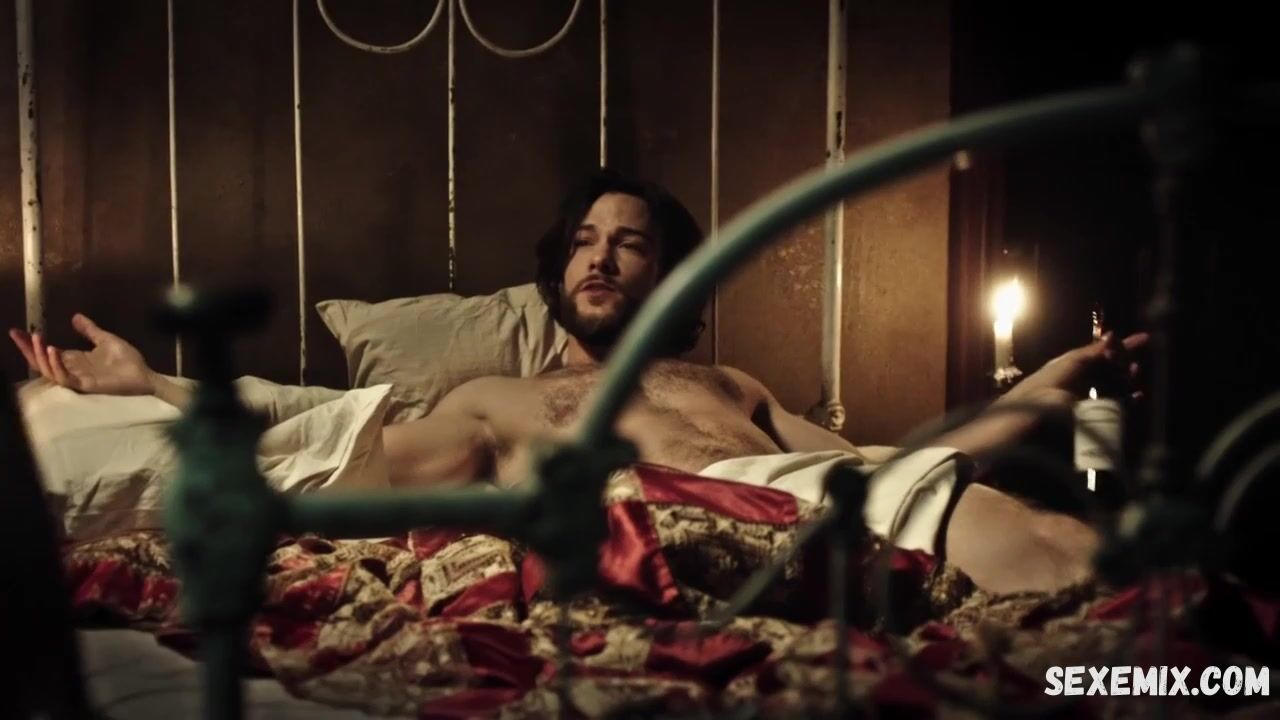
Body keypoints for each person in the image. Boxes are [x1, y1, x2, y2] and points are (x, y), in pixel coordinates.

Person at [10, 169, 1145, 594]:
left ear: (669, 275)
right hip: (667, 538)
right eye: (584, 242)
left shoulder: (731, 381)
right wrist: (152, 384)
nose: (601, 257)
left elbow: (879, 464)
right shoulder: (495, 402)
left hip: (817, 506)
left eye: (631, 243)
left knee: (1081, 556)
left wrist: (1046, 390)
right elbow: (313, 451)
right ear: (558, 270)